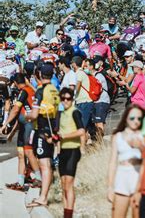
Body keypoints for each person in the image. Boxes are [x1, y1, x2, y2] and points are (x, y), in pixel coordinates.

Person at [25, 64, 60, 208]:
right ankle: (44, 195)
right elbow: (58, 111)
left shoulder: (40, 91)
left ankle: (43, 197)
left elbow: (33, 114)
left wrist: (26, 116)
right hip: (52, 129)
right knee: (48, 164)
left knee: (45, 165)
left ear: (39, 74)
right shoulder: (54, 90)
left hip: (41, 131)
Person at [1, 73, 41, 192]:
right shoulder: (27, 91)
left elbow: (16, 110)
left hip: (30, 126)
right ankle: (20, 182)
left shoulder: (25, 91)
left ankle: (40, 179)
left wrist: (5, 124)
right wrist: (13, 132)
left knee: (28, 152)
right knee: (20, 154)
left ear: (15, 83)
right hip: (23, 126)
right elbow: (20, 114)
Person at [108, 104, 145, 218]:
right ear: (126, 118)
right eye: (132, 118)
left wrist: (140, 147)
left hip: (138, 175)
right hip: (122, 175)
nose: (136, 121)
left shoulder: (144, 136)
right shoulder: (118, 136)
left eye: (139, 118)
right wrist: (110, 186)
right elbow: (113, 162)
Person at [57, 88, 85, 218]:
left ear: (72, 99)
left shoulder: (75, 112)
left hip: (73, 150)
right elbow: (59, 134)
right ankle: (65, 212)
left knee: (69, 183)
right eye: (63, 99)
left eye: (68, 98)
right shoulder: (62, 114)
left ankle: (69, 214)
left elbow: (81, 131)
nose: (66, 101)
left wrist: (65, 136)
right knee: (63, 184)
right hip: (63, 150)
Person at [87, 57, 110, 140]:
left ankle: (100, 144)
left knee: (99, 123)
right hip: (96, 102)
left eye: (86, 66)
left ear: (91, 67)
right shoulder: (90, 76)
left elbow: (97, 90)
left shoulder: (98, 76)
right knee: (96, 123)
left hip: (102, 101)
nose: (85, 68)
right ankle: (98, 142)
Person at [72, 56, 94, 137]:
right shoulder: (83, 72)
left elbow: (76, 88)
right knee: (88, 127)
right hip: (85, 102)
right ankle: (96, 144)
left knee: (82, 128)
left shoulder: (79, 73)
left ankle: (82, 148)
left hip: (84, 102)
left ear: (74, 64)